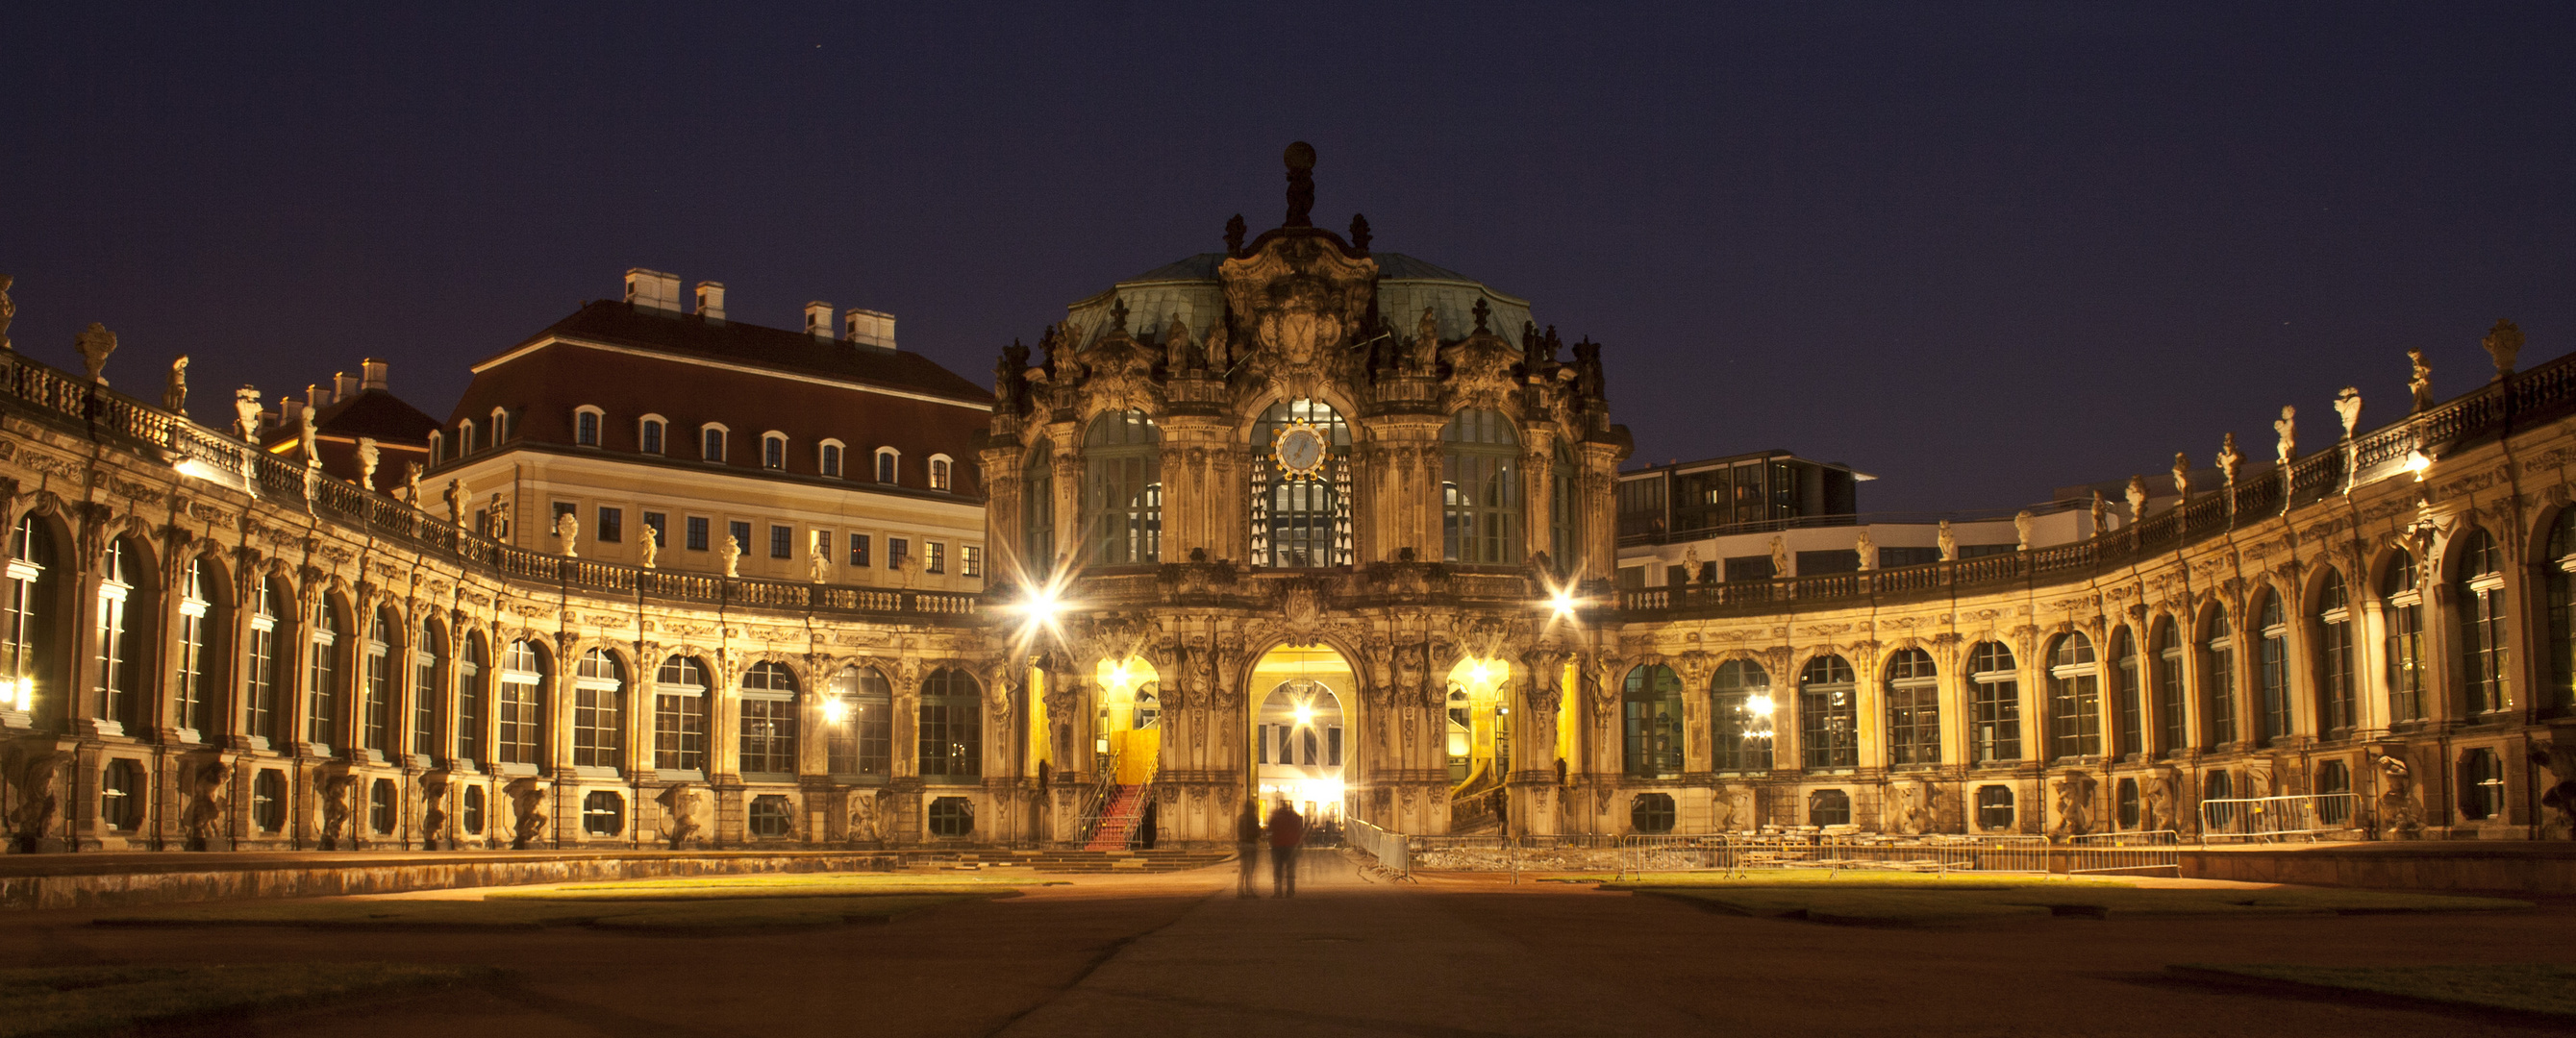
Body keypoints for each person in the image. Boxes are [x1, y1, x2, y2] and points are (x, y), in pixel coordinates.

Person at [1266, 800, 1306, 898]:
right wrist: (1299, 844)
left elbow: (1270, 830)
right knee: (1290, 870)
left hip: (1277, 846)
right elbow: (1299, 831)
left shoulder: (1276, 817)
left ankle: (1278, 892)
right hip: (1291, 846)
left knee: (1278, 870)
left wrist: (1270, 841)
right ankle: (1290, 892)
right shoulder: (1294, 817)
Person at [1235, 802, 1263, 899]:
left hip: (1242, 844)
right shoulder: (1253, 819)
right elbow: (1257, 833)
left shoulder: (1240, 818)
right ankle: (1249, 891)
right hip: (1251, 844)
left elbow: (1238, 831)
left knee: (1243, 869)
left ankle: (1239, 891)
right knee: (1250, 869)